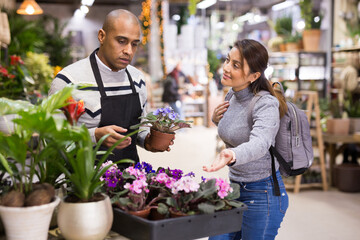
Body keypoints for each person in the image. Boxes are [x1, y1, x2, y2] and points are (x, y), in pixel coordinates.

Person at [49, 9, 170, 165]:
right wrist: (94, 136)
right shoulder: (69, 81)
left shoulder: (138, 79)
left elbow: (139, 129)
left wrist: (148, 141)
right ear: (102, 36)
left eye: (134, 44)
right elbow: (51, 138)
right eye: (121, 41)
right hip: (83, 183)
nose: (128, 51)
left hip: (129, 181)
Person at [203, 39, 289, 240]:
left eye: (235, 65)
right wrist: (217, 121)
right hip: (235, 187)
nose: (225, 68)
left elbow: (260, 143)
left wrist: (231, 154)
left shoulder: (265, 103)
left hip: (263, 193)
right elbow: (238, 130)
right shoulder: (232, 95)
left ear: (254, 75)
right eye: (227, 60)